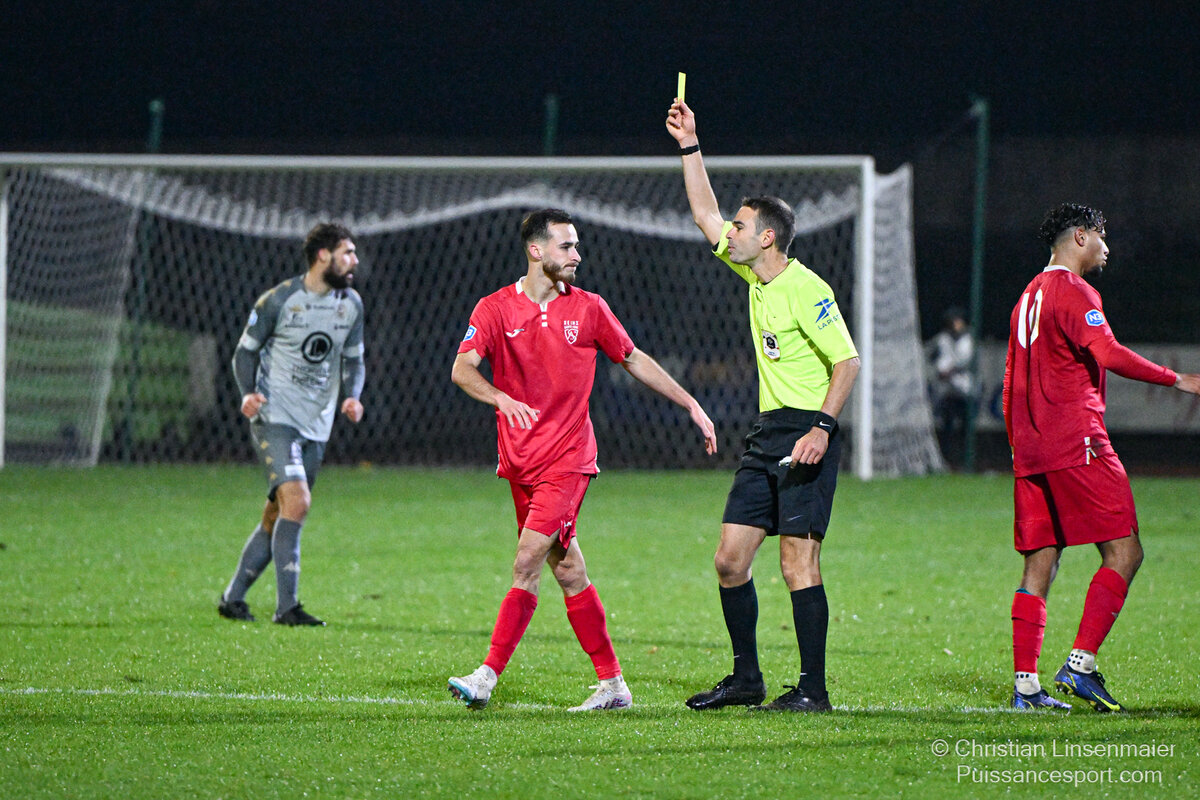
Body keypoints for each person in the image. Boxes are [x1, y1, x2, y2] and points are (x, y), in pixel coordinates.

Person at [447, 208, 717, 711]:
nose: (577, 255)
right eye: (566, 246)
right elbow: (463, 369)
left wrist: (690, 404)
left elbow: (632, 357)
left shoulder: (589, 308)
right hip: (520, 461)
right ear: (536, 250)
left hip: (568, 461)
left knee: (526, 561)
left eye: (576, 246)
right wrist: (500, 398)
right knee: (568, 570)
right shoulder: (495, 309)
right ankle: (613, 685)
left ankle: (486, 676)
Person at [667, 100, 861, 712]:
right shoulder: (757, 278)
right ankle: (747, 679)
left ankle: (813, 691)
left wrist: (822, 430)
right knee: (730, 560)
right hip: (766, 434)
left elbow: (847, 362)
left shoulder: (808, 289)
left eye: (741, 226)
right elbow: (704, 214)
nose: (730, 232)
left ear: (767, 237)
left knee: (797, 563)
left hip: (808, 431)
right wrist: (690, 144)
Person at [1003, 203, 1200, 711]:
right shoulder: (1074, 291)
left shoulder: (1028, 295)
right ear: (1081, 237)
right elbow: (1108, 352)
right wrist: (1177, 379)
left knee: (1041, 561)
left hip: (1032, 449)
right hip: (1078, 442)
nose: (1107, 248)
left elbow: (1011, 381)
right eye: (1102, 237)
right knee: (1125, 551)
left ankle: (1026, 688)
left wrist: (1020, 443)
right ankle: (1080, 665)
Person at [218, 222, 366, 627]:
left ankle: (232, 599)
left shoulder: (351, 304)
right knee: (297, 502)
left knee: (277, 514)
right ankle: (287, 608)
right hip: (275, 416)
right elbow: (244, 353)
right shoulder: (280, 300)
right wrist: (248, 392)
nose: (354, 261)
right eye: (347, 252)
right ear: (323, 256)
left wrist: (352, 395)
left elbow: (354, 359)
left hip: (316, 423)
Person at [929, 307, 975, 466]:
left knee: (966, 427)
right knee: (947, 425)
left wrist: (950, 370)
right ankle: (947, 458)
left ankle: (967, 459)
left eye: (958, 320)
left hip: (964, 388)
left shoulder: (968, 339)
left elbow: (966, 361)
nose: (956, 324)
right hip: (947, 390)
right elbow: (932, 357)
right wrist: (940, 369)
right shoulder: (942, 339)